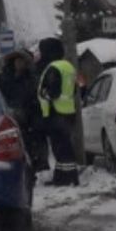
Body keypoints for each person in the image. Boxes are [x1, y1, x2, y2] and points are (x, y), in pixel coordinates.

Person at [37, 37, 80, 186]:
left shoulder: (53, 68)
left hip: (56, 113)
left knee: (60, 148)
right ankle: (68, 176)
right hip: (68, 112)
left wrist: (43, 94)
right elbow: (74, 89)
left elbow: (52, 92)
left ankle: (64, 178)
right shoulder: (68, 66)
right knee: (65, 146)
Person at [0, 48, 47, 173]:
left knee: (32, 142)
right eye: (17, 61)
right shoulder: (5, 77)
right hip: (11, 116)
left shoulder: (31, 78)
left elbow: (34, 95)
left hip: (30, 117)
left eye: (21, 61)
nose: (19, 63)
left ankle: (37, 166)